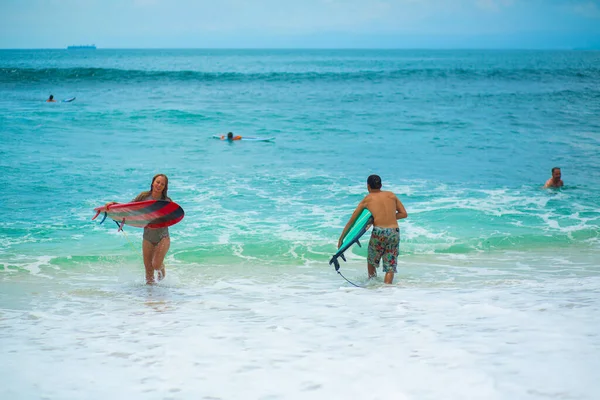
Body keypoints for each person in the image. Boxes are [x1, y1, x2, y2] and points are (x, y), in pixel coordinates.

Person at [337, 175, 408, 284]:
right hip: (394, 232)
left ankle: (373, 286)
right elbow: (403, 214)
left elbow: (352, 221)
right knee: (390, 266)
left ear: (368, 186)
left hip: (379, 232)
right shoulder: (391, 195)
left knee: (371, 261)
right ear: (381, 185)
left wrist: (342, 239)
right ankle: (387, 291)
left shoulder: (367, 199)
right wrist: (388, 216)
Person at [106, 174, 172, 284]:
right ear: (152, 183)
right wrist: (114, 205)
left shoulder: (166, 201)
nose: (159, 185)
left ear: (165, 187)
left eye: (162, 184)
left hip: (163, 237)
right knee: (148, 272)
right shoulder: (144, 197)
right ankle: (151, 296)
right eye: (157, 182)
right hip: (148, 237)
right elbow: (129, 207)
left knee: (156, 265)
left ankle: (162, 275)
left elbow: (173, 216)